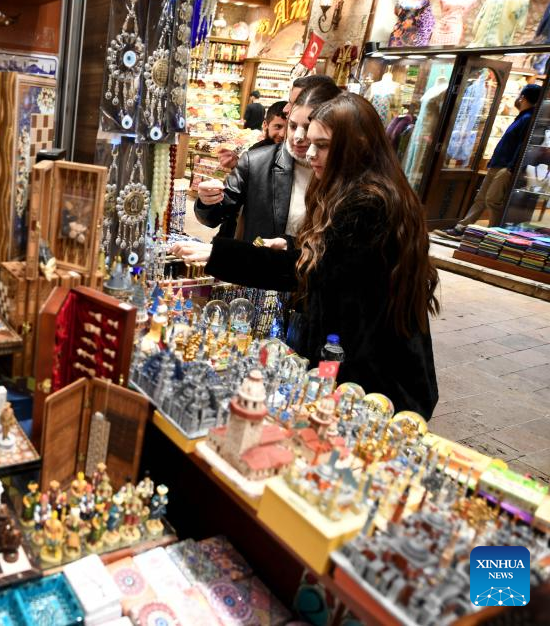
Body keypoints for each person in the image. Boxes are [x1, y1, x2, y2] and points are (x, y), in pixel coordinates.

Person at [177, 93, 440, 418]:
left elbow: (316, 269)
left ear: (357, 143)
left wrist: (216, 253)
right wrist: (290, 245)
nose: (309, 151)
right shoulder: (350, 188)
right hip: (358, 356)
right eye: (305, 137)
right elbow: (337, 257)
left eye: (323, 144)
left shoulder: (370, 201)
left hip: (377, 373)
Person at [195, 81, 342, 241]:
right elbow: (214, 216)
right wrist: (207, 201)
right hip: (260, 263)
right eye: (292, 126)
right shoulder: (256, 162)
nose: (297, 137)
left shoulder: (349, 172)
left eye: (308, 127)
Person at [438, 82, 543, 239]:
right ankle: (462, 228)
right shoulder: (523, 117)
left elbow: (523, 146)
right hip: (499, 163)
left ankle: (493, 234)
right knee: (481, 198)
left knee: (492, 200)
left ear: (522, 97)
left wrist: (510, 167)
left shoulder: (527, 118)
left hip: (506, 166)